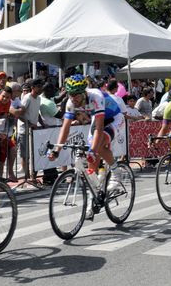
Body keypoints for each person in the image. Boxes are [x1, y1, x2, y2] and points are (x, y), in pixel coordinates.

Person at [49, 75, 123, 205]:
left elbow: (99, 128)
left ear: (84, 92)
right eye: (70, 94)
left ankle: (116, 171)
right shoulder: (70, 102)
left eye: (76, 95)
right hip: (97, 118)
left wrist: (93, 151)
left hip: (114, 118)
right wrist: (57, 150)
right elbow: (65, 128)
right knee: (91, 163)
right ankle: (93, 196)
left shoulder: (96, 96)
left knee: (97, 146)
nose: (73, 98)